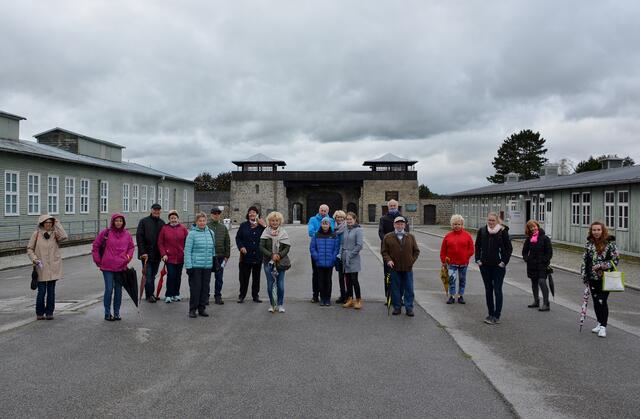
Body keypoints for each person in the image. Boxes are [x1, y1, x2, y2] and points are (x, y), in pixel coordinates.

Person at [92, 213, 135, 321]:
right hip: (107, 266)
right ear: (113, 222)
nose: (118, 223)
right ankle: (107, 313)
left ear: (123, 222)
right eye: (116, 221)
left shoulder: (127, 234)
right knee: (109, 289)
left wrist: (128, 257)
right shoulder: (106, 233)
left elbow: (131, 247)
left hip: (121, 266)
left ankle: (116, 313)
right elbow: (96, 246)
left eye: (120, 221)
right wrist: (98, 260)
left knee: (118, 290)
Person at [581, 221, 619, 338]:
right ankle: (599, 323)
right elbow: (584, 261)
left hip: (605, 278)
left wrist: (601, 266)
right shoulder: (589, 244)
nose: (596, 232)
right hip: (592, 278)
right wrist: (584, 275)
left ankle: (603, 327)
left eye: (598, 230)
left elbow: (615, 260)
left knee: (602, 301)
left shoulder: (610, 244)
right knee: (596, 302)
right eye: (594, 230)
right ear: (591, 231)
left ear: (603, 231)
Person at [27, 215, 68, 320]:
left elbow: (64, 236)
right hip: (40, 267)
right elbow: (30, 249)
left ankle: (49, 312)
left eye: (50, 222)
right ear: (42, 224)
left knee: (51, 292)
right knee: (41, 292)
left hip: (53, 267)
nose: (48, 224)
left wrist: (57, 222)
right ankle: (39, 312)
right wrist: (34, 259)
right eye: (46, 222)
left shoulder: (55, 234)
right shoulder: (36, 234)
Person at [475, 212, 512, 325]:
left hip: (498, 267)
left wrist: (504, 262)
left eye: (493, 220)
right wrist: (478, 259)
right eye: (489, 220)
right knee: (488, 290)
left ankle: (497, 315)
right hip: (485, 266)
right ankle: (490, 313)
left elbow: (509, 249)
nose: (491, 222)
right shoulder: (482, 231)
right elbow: (477, 246)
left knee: (497, 290)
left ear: (497, 221)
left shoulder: (503, 232)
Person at [381, 216, 420, 316]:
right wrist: (388, 260)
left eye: (402, 224)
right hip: (394, 267)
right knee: (395, 288)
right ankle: (397, 307)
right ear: (394, 225)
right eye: (397, 224)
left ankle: (409, 308)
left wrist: (411, 261)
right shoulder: (388, 237)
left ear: (405, 225)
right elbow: (384, 251)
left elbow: (416, 251)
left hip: (407, 267)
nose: (400, 225)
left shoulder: (410, 237)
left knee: (409, 288)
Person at [184, 212, 215, 318]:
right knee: (195, 289)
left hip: (207, 266)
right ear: (196, 222)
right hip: (195, 266)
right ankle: (192, 309)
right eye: (200, 221)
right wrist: (188, 266)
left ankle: (202, 308)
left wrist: (214, 262)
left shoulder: (211, 233)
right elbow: (187, 251)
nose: (202, 223)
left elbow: (213, 250)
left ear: (206, 221)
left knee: (205, 288)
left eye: (203, 220)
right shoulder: (191, 234)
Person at [378, 199, 410, 300]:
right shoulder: (383, 218)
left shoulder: (403, 218)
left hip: (401, 251)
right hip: (387, 250)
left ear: (397, 206)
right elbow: (381, 232)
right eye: (391, 206)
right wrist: (388, 242)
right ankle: (389, 297)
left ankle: (399, 297)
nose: (392, 207)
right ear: (388, 207)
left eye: (394, 205)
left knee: (400, 275)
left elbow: (407, 233)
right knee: (388, 275)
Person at [440, 214, 475, 304]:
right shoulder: (448, 236)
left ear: (462, 225)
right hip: (451, 263)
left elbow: (471, 249)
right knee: (452, 280)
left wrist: (466, 256)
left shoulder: (467, 235)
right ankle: (452, 296)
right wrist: (443, 261)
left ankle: (460, 295)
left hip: (463, 263)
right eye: (455, 224)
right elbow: (443, 250)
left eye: (459, 224)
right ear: (452, 225)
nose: (457, 226)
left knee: (462, 280)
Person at [260, 211, 291, 313]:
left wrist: (279, 255)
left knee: (280, 284)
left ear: (279, 221)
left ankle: (280, 304)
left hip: (280, 261)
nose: (274, 222)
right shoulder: (265, 232)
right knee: (270, 283)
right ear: (269, 221)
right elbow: (261, 246)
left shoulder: (283, 232)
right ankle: (272, 304)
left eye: (276, 220)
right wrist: (271, 255)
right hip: (268, 261)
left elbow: (287, 246)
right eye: (272, 221)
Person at [235, 206, 266, 303]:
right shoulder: (243, 225)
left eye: (254, 212)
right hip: (245, 256)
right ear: (248, 214)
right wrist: (241, 247)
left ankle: (255, 296)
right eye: (250, 212)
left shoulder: (262, 226)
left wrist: (264, 226)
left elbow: (269, 235)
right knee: (243, 278)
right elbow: (238, 238)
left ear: (257, 214)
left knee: (256, 278)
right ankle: (242, 296)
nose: (252, 214)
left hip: (257, 256)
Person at [157, 210, 189, 303]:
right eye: (171, 218)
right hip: (169, 257)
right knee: (171, 275)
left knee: (178, 276)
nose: (173, 219)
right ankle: (168, 295)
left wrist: (185, 252)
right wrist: (163, 254)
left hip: (180, 256)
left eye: (175, 218)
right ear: (169, 219)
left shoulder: (183, 228)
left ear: (178, 219)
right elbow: (160, 243)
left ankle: (176, 294)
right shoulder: (164, 228)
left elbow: (188, 241)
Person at [136, 203, 166, 303]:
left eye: (158, 210)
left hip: (157, 254)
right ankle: (150, 295)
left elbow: (164, 240)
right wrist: (142, 252)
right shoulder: (143, 222)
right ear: (151, 210)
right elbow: (139, 238)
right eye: (154, 210)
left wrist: (163, 253)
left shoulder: (162, 223)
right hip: (146, 255)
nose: (156, 211)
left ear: (160, 211)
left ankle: (150, 294)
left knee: (153, 275)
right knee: (148, 275)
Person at [522, 220, 553, 312]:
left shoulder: (545, 238)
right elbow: (524, 251)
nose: (533, 228)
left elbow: (549, 252)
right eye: (531, 227)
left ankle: (546, 303)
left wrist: (544, 261)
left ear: (537, 226)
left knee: (542, 282)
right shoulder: (529, 239)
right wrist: (526, 258)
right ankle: (536, 301)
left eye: (534, 226)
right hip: (531, 265)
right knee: (534, 283)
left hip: (542, 265)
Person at [310, 217, 340, 306]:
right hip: (320, 262)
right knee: (321, 281)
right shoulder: (316, 235)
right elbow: (312, 248)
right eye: (323, 223)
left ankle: (327, 298)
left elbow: (336, 248)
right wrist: (317, 257)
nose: (325, 225)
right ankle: (322, 298)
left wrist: (333, 258)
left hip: (330, 263)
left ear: (329, 224)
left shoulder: (334, 235)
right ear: (321, 224)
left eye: (327, 223)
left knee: (328, 281)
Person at [307, 204, 334, 303]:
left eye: (325, 211)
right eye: (321, 210)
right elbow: (310, 232)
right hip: (317, 250)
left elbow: (332, 232)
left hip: (327, 251)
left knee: (327, 276)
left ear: (328, 211)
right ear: (319, 210)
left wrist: (322, 234)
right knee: (316, 274)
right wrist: (322, 234)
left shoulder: (331, 220)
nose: (323, 212)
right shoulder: (313, 219)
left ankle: (326, 296)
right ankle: (315, 295)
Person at [207, 207, 231, 305]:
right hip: (209, 256)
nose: (216, 215)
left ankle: (218, 296)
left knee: (219, 278)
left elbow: (227, 242)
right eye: (214, 214)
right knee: (206, 278)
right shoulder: (206, 226)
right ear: (211, 215)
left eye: (218, 214)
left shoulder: (223, 227)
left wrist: (227, 255)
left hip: (220, 256)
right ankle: (205, 296)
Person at [341, 212, 364, 310]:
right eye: (347, 219)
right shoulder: (345, 230)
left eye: (351, 219)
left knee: (354, 280)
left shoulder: (358, 230)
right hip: (345, 257)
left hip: (353, 258)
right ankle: (350, 299)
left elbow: (359, 245)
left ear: (355, 220)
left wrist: (350, 254)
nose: (349, 221)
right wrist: (341, 253)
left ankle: (358, 300)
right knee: (348, 280)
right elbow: (342, 243)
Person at [332, 210, 348, 304]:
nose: (340, 219)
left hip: (344, 255)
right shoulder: (334, 228)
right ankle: (342, 295)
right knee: (340, 277)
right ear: (335, 218)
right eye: (338, 217)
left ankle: (347, 295)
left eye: (342, 217)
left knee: (347, 277)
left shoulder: (346, 228)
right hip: (337, 255)